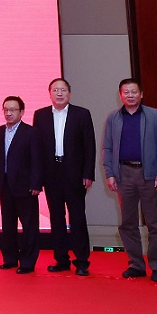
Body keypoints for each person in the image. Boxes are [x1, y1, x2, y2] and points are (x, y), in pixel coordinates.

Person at [101, 78, 157, 282]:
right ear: (120, 95)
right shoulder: (113, 117)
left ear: (141, 94)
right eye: (126, 92)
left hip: (149, 174)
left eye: (134, 92)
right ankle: (136, 265)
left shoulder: (154, 115)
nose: (130, 95)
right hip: (124, 174)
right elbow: (107, 147)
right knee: (127, 223)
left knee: (155, 223)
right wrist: (110, 173)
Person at [33, 78, 95, 276]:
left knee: (77, 217)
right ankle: (61, 259)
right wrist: (37, 178)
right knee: (56, 218)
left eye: (63, 90)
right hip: (51, 174)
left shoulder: (82, 114)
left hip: (75, 174)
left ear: (69, 93)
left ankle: (82, 261)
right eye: (55, 90)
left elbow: (89, 147)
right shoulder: (40, 115)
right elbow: (37, 149)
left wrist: (88, 173)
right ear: (49, 93)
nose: (59, 93)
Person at [0, 96, 42, 274]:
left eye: (13, 110)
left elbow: (37, 160)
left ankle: (27, 261)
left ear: (22, 112)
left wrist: (36, 183)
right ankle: (10, 259)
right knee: (8, 224)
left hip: (26, 186)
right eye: (6, 110)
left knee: (29, 226)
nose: (9, 113)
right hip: (5, 185)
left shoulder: (31, 132)